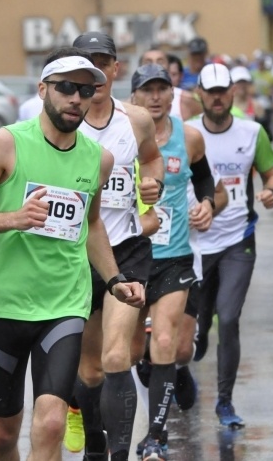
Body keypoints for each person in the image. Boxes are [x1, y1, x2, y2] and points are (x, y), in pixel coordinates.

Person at [0, 47, 146, 461]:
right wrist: (13, 218)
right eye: (66, 88)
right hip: (4, 304)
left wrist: (114, 280)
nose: (76, 98)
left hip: (63, 305)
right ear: (43, 90)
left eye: (87, 90)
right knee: (1, 434)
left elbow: (91, 225)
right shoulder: (6, 144)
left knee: (52, 422)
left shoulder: (99, 159)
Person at [71, 31, 165, 461]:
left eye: (103, 62)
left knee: (115, 357)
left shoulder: (136, 120)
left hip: (126, 249)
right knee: (88, 371)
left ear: (114, 69)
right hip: (74, 256)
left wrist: (154, 182)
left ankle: (119, 455)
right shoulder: (56, 125)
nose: (96, 71)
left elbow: (151, 157)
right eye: (86, 62)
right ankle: (94, 444)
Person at [127, 64, 216, 460]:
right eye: (148, 91)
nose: (156, 97)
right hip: (129, 257)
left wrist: (208, 205)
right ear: (134, 98)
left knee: (168, 342)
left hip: (175, 257)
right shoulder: (119, 139)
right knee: (129, 353)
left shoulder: (190, 138)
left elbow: (205, 181)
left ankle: (156, 437)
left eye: (163, 89)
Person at [187, 63, 273, 428]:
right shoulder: (188, 132)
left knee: (228, 318)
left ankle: (224, 402)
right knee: (197, 329)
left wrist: (271, 190)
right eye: (209, 92)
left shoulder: (252, 132)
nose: (216, 98)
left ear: (232, 93)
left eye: (222, 91)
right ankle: (187, 364)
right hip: (194, 243)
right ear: (199, 94)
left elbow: (271, 173)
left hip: (237, 240)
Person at [139, 49, 203, 121]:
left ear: (168, 67)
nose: (155, 65)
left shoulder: (187, 100)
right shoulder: (129, 105)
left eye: (160, 62)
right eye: (148, 62)